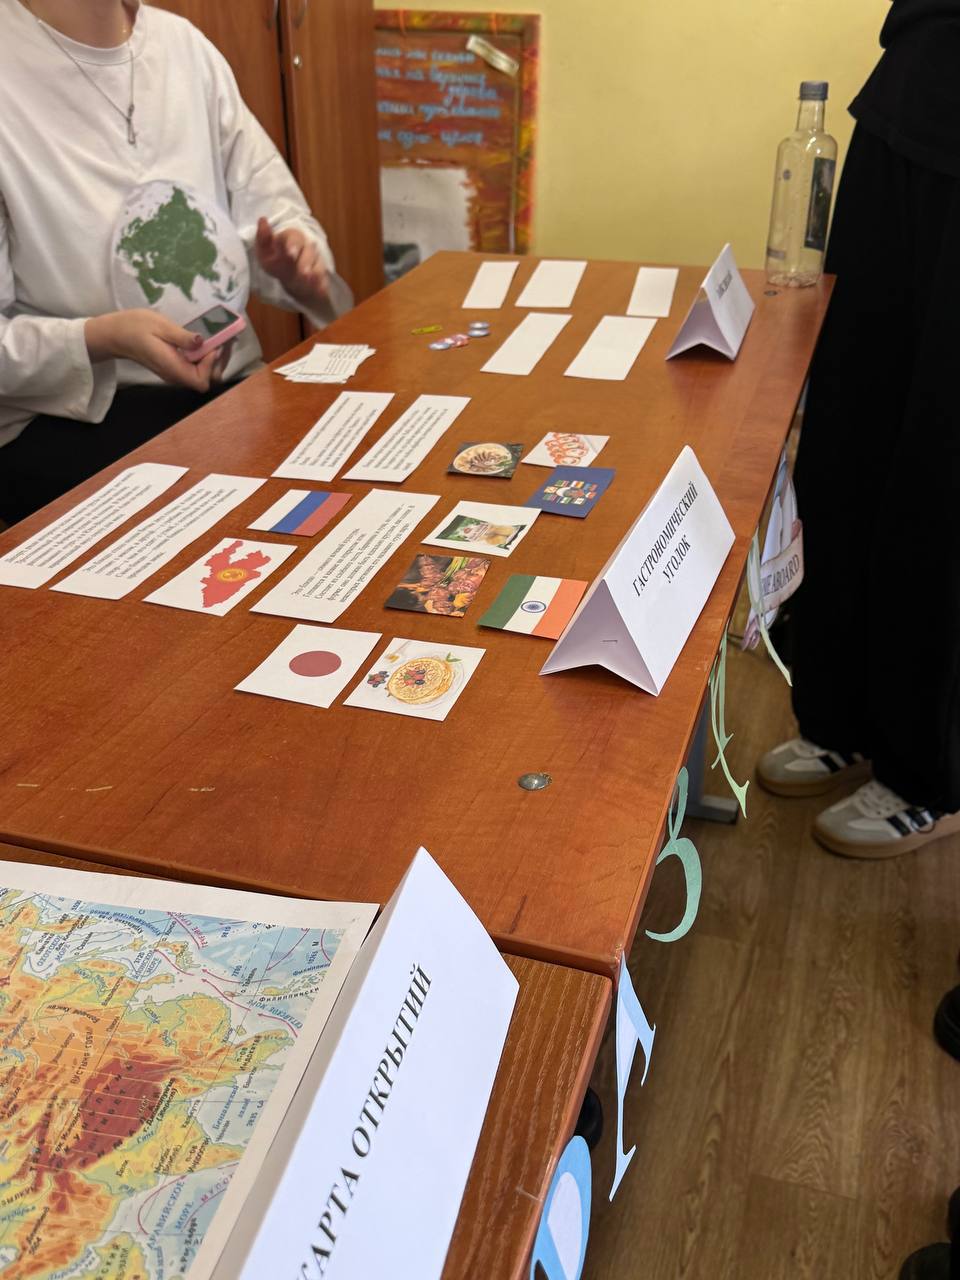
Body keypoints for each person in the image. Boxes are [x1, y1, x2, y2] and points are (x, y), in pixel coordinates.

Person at [0, 0, 351, 525]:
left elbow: (278, 214)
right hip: (67, 424)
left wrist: (296, 261)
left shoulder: (184, 46)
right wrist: (100, 337)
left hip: (229, 390)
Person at [757, 0, 960, 859]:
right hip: (911, 90)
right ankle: (836, 714)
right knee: (846, 432)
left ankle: (927, 773)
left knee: (940, 465)